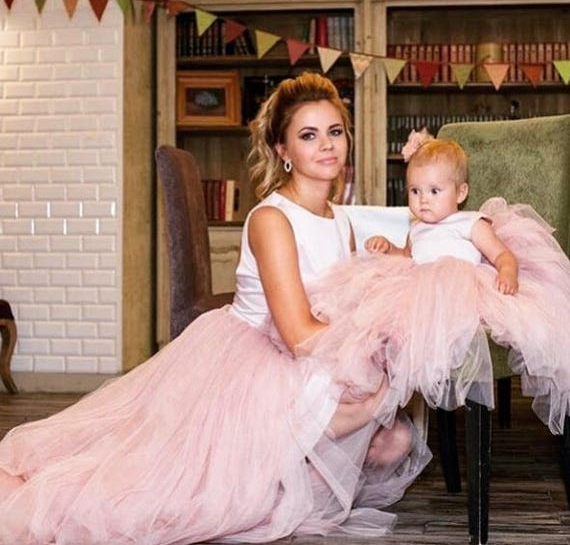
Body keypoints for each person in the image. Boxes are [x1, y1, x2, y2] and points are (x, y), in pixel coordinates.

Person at [0, 73, 430, 545]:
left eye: (335, 131)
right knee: (366, 406)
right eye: (308, 135)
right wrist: (371, 361)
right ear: (283, 150)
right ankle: (259, 474)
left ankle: (281, 472)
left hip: (311, 350)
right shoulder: (272, 218)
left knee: (395, 440)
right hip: (261, 356)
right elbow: (299, 335)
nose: (327, 146)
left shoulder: (342, 218)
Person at [305, 128, 570, 434]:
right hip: (417, 291)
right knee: (374, 322)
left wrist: (507, 273)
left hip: (463, 291)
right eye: (415, 191)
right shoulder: (416, 228)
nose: (422, 201)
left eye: (434, 191)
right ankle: (368, 394)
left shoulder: (471, 223)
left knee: (438, 324)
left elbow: (503, 255)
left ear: (460, 193)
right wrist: (388, 249)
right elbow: (408, 257)